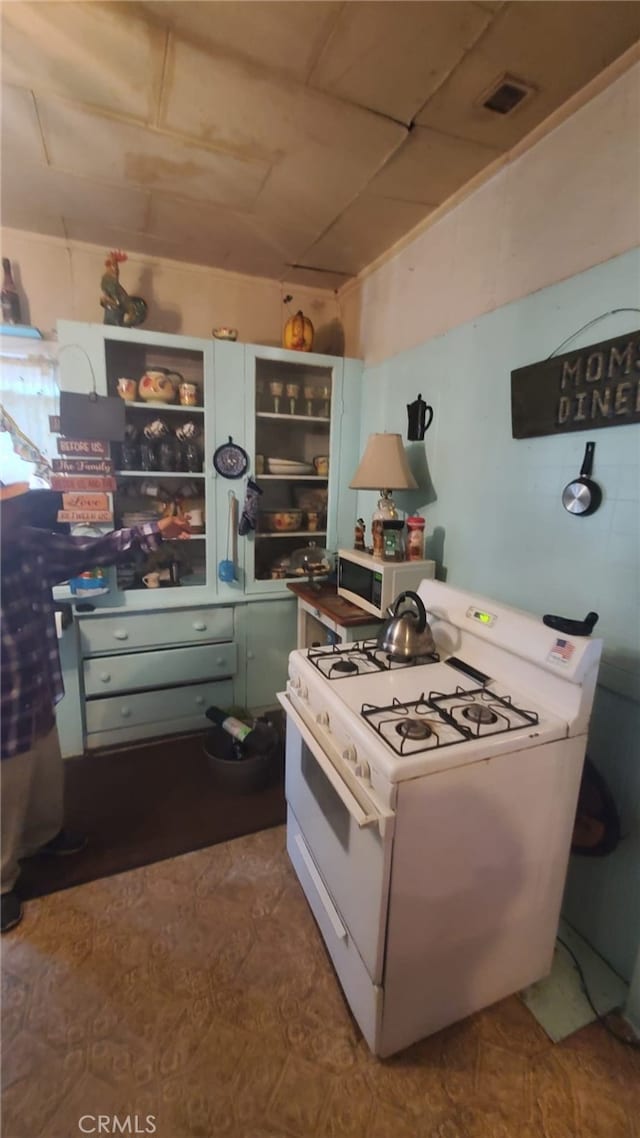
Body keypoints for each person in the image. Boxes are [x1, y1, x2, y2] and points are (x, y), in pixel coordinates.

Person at [0, 481, 190, 932]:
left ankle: (43, 837)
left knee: (45, 774)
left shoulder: (28, 545)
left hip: (36, 688)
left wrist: (157, 528)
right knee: (5, 794)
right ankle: (2, 884)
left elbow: (95, 548)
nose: (17, 514)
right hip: (3, 705)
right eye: (10, 509)